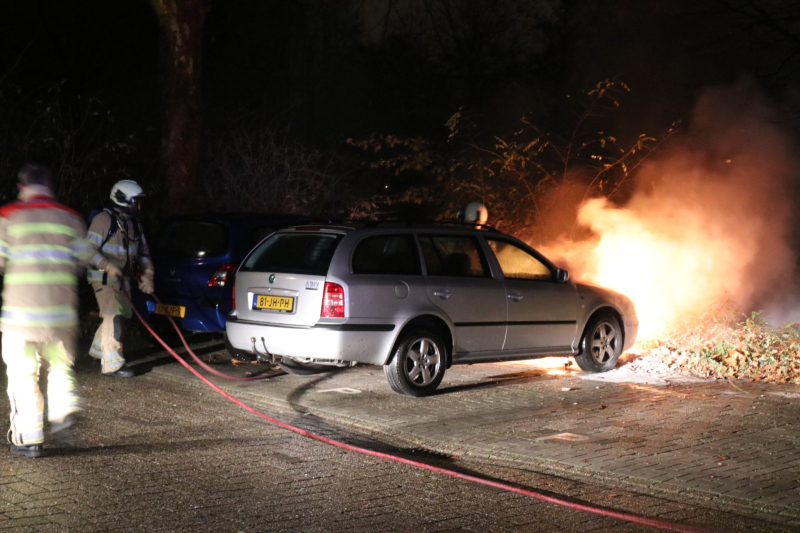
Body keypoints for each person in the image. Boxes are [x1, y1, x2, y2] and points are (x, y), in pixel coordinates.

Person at [0, 163, 105, 457]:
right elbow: (86, 255)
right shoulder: (70, 218)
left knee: (23, 375)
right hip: (60, 317)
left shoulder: (9, 217)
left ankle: (29, 439)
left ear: (22, 187)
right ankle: (63, 410)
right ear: (49, 187)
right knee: (60, 367)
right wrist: (111, 268)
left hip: (21, 321)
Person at [86, 180, 154, 378]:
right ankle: (113, 365)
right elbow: (87, 250)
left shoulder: (134, 224)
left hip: (122, 278)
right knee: (113, 315)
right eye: (136, 202)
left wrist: (149, 274)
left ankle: (98, 351)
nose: (139, 206)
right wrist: (107, 266)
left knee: (121, 315)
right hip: (103, 277)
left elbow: (144, 254)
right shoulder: (103, 220)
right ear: (123, 200)